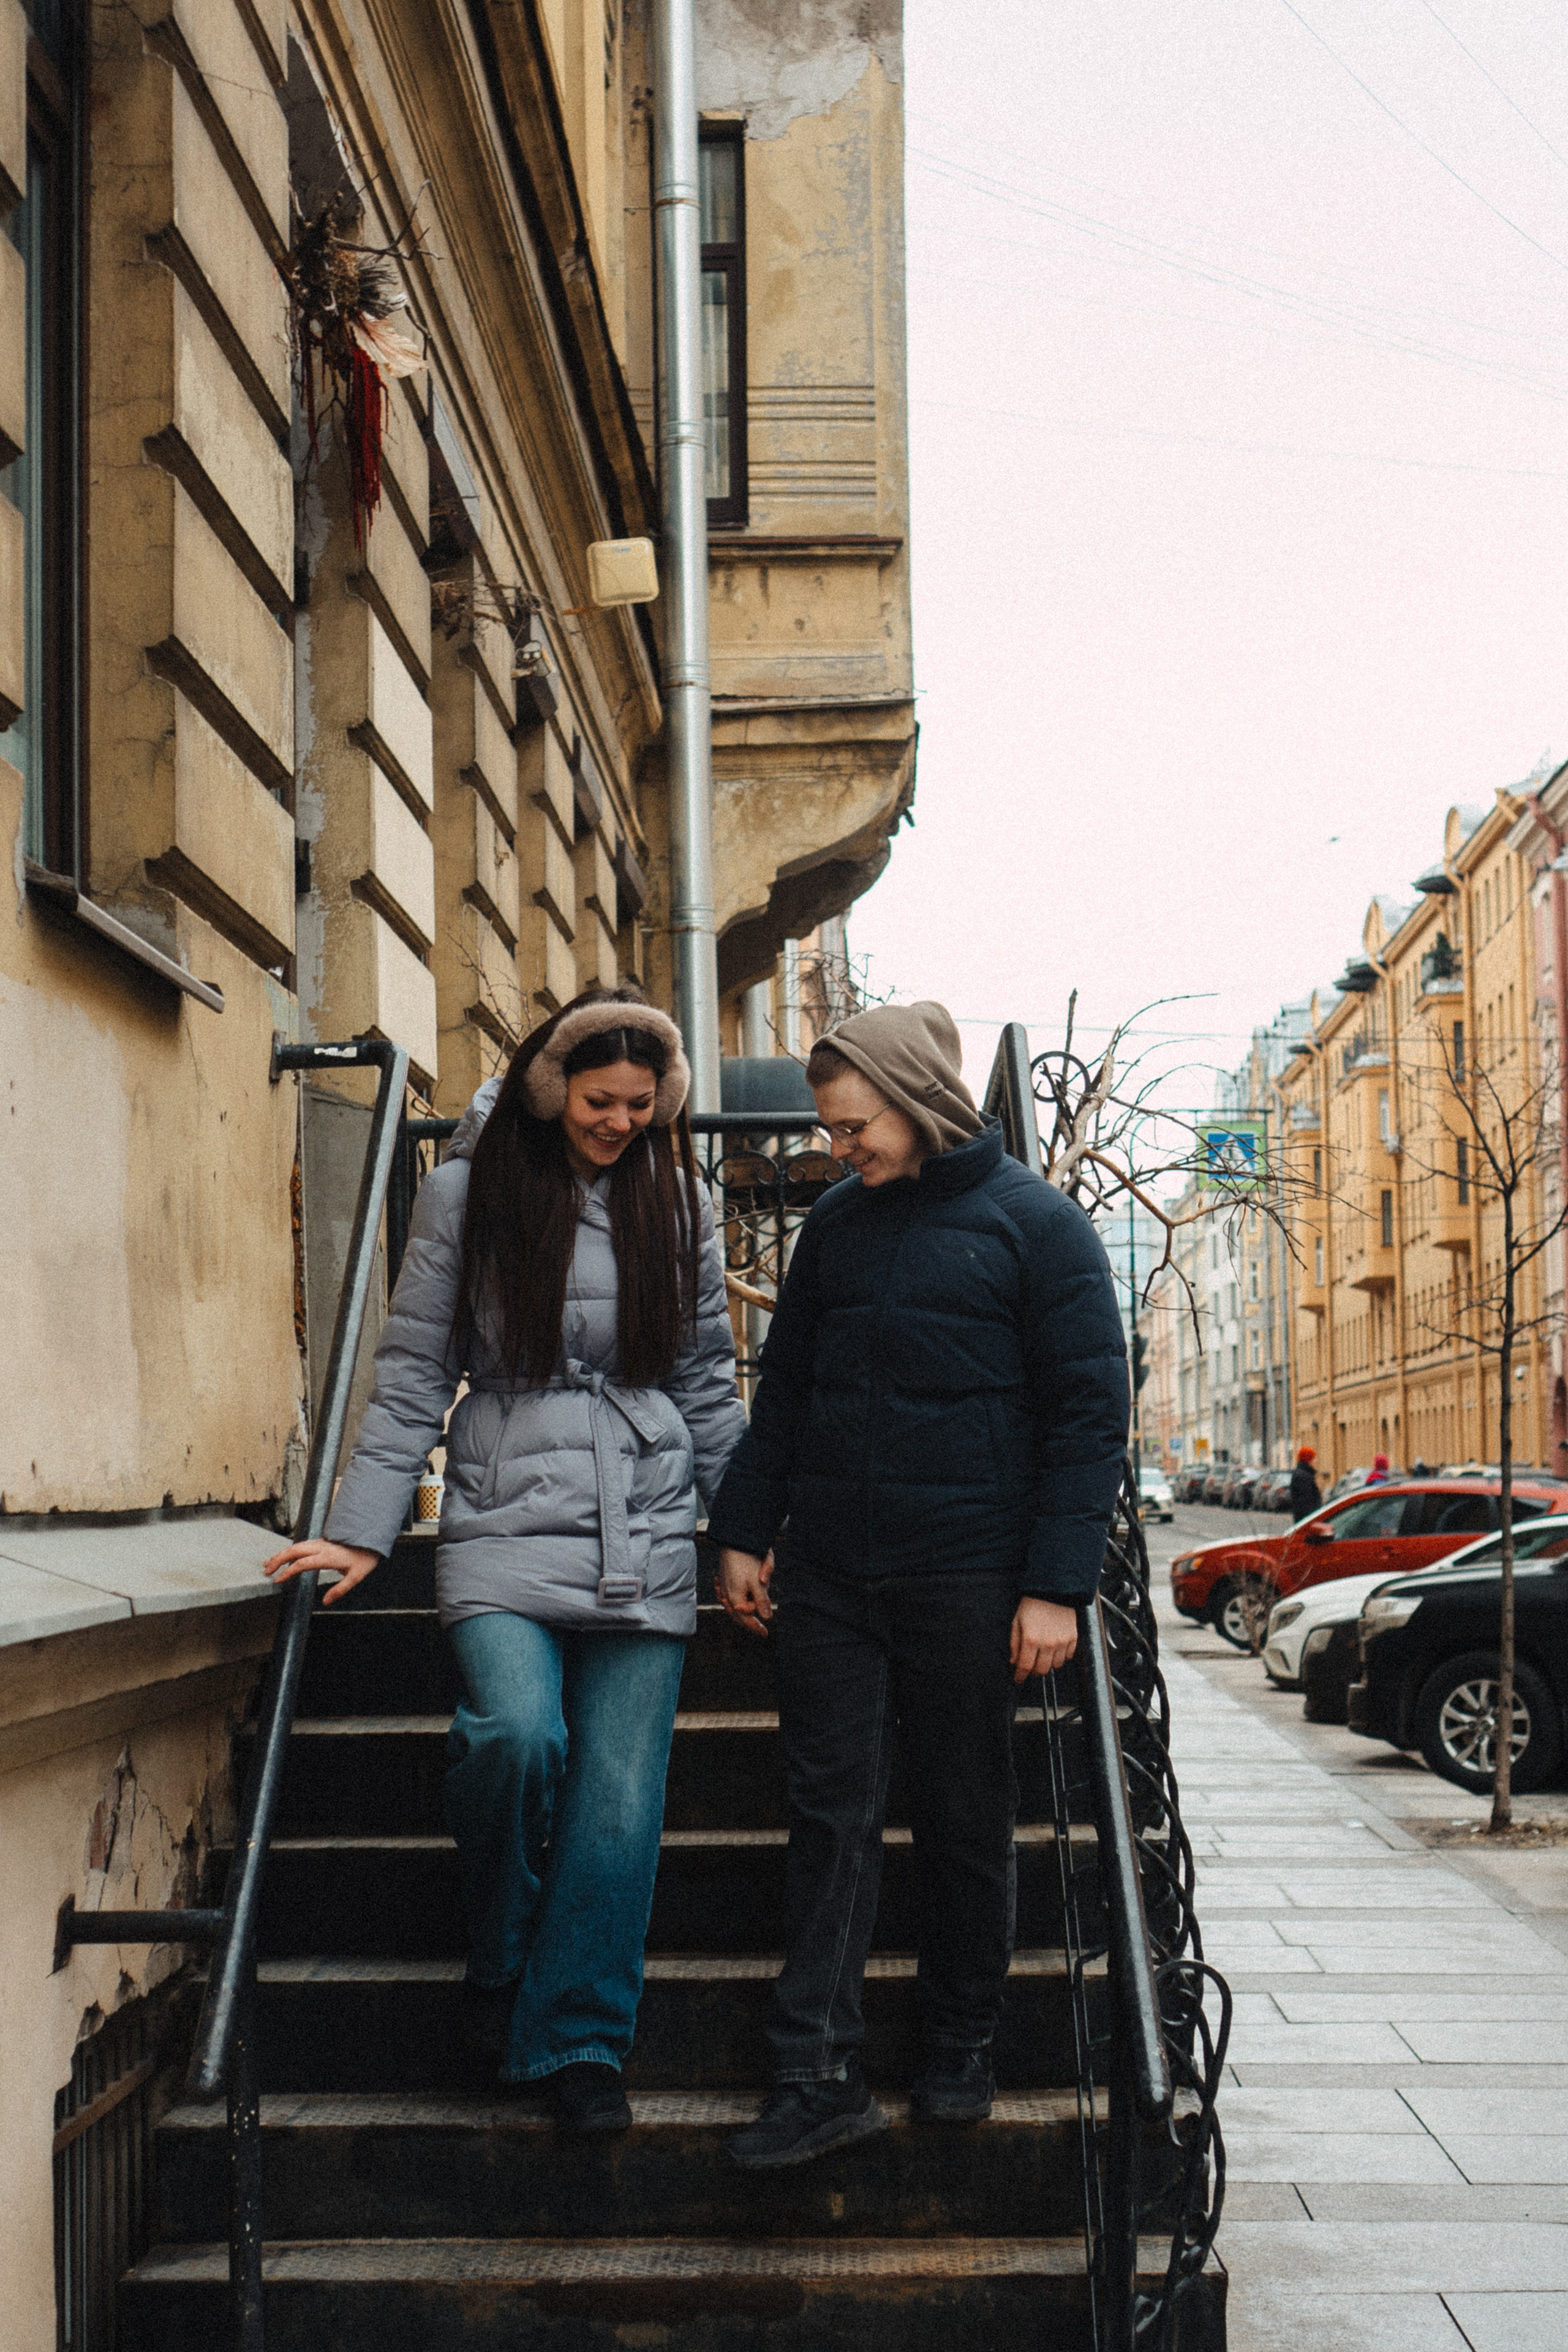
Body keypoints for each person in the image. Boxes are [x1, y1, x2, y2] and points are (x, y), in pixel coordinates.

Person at [263, 987, 745, 2131]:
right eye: (599, 1100)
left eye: (641, 1103)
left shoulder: (679, 1203)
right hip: (499, 1517)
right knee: (516, 1739)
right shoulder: (464, 1195)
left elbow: (709, 1390)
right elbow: (416, 1371)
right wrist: (366, 1525)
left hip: (645, 1524)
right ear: (549, 1088)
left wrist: (743, 1536)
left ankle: (577, 2041)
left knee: (619, 1802)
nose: (621, 1121)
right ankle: (502, 1955)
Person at [707, 1001, 1129, 2168]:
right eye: (832, 1132)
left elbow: (1092, 1416)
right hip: (834, 1573)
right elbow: (783, 1391)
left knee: (962, 1813)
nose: (838, 1150)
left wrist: (1056, 1585)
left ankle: (959, 2044)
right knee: (828, 1812)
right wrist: (742, 1530)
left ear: (917, 1099)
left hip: (969, 1575)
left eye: (852, 1128)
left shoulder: (1037, 1227)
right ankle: (814, 2073)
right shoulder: (837, 1226)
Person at [1289, 1446, 1321, 1521]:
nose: (1315, 1461)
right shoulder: (1303, 1476)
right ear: (1308, 1459)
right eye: (1314, 1458)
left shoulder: (1303, 1474)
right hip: (1307, 1520)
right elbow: (1306, 1502)